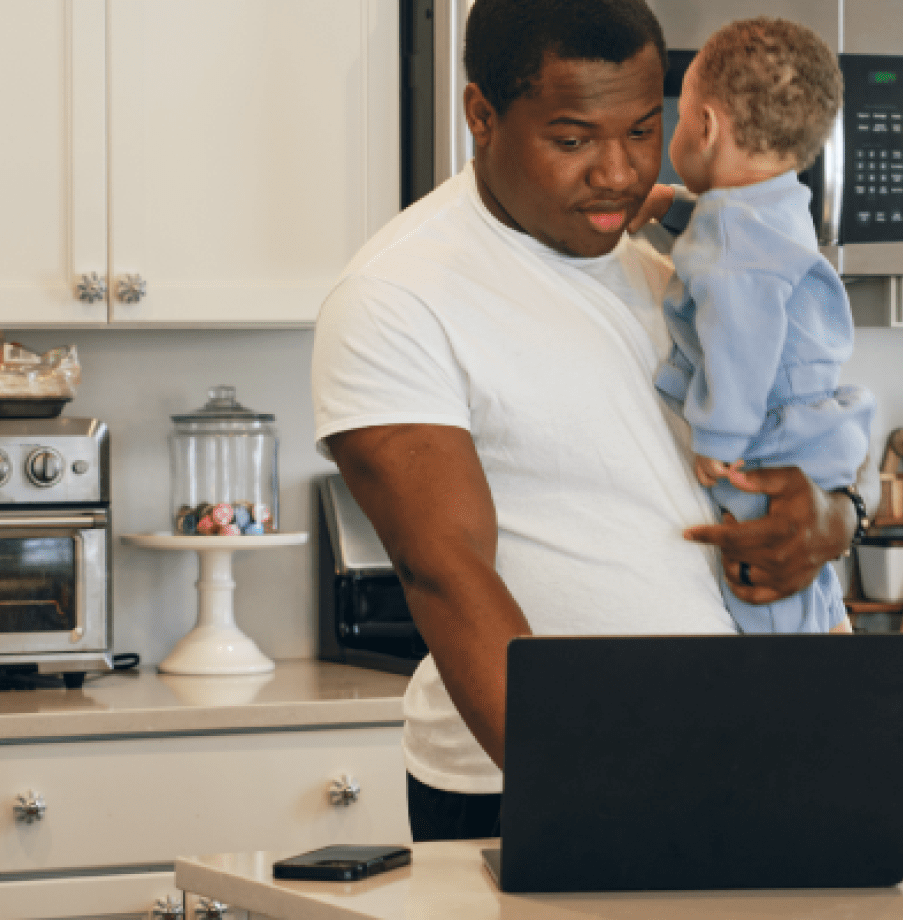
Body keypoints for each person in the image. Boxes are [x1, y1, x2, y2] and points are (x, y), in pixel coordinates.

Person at [310, 0, 859, 843]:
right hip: (545, 781)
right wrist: (594, 801)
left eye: (643, 130)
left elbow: (792, 458)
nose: (617, 171)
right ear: (481, 116)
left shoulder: (681, 263)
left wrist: (825, 521)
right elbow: (445, 573)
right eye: (573, 140)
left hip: (760, 752)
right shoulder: (399, 297)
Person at [656, 17, 873, 636]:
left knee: (763, 574)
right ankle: (828, 622)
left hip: (766, 434)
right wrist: (673, 207)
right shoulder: (776, 204)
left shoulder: (731, 241)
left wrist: (719, 438)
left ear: (705, 126)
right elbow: (732, 248)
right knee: (804, 568)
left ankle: (810, 642)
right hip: (809, 422)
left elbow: (741, 340)